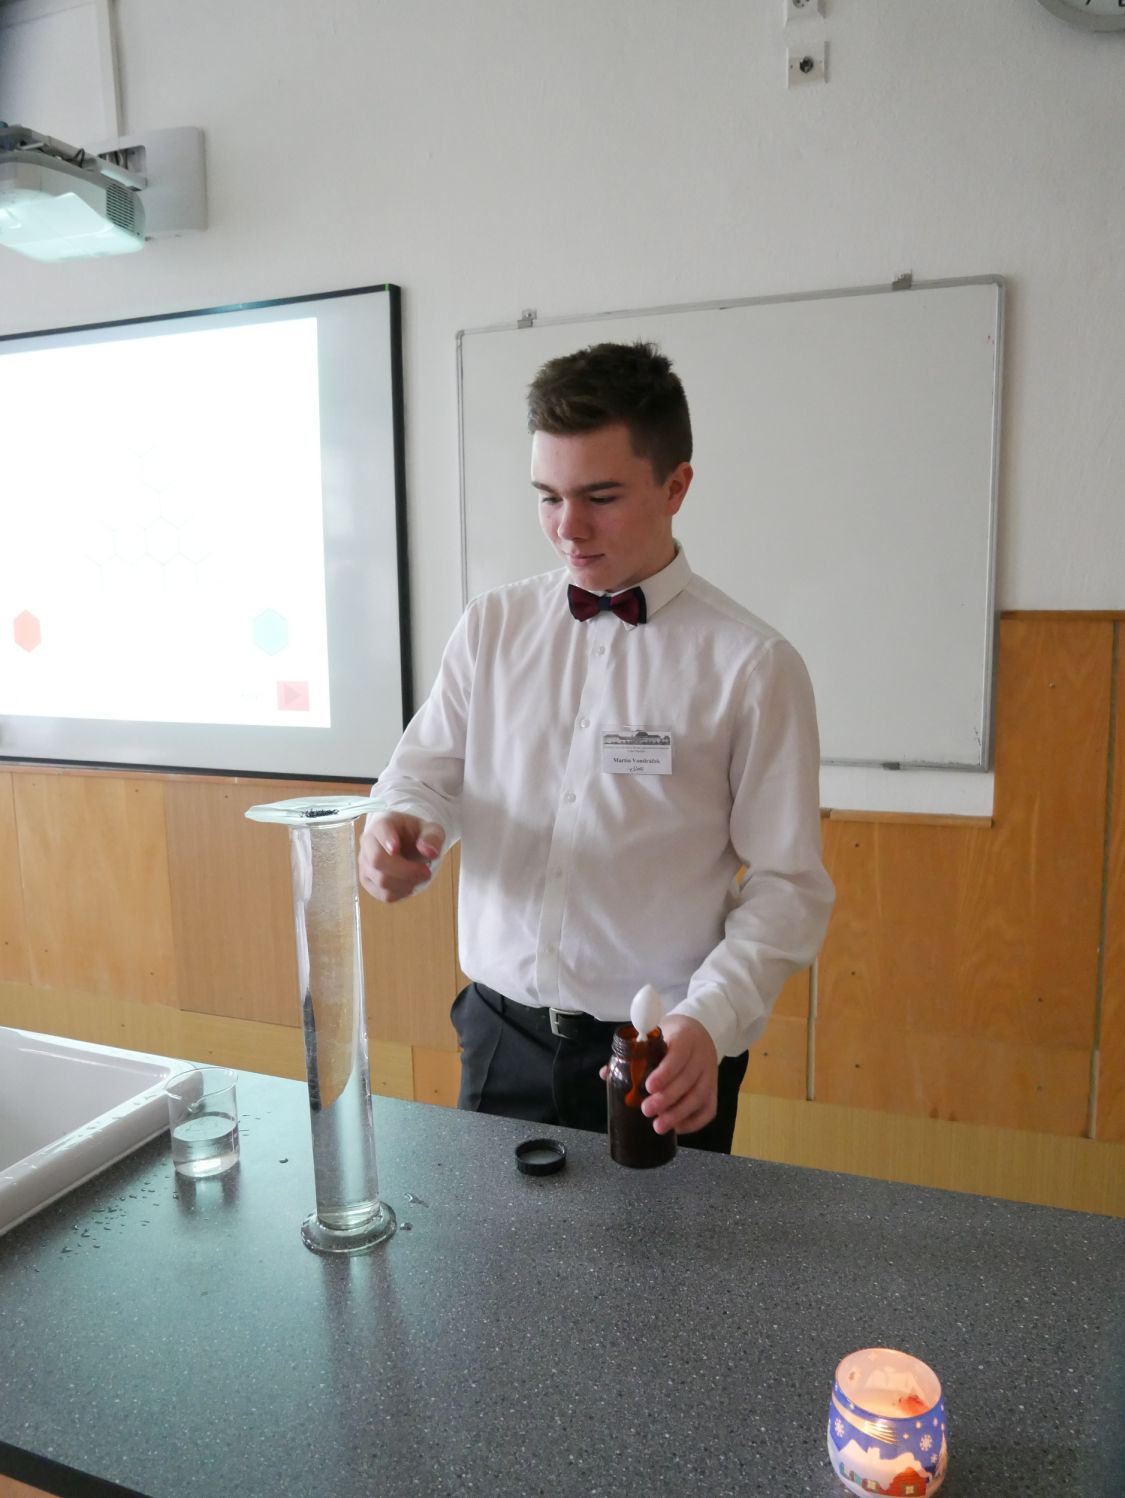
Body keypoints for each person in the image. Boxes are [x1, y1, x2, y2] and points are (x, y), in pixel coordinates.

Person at [359, 341, 834, 1153]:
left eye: (599, 497)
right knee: (485, 1242)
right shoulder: (491, 627)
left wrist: (711, 1020)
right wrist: (395, 824)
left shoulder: (752, 667)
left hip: (661, 1055)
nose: (567, 528)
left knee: (660, 1244)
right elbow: (423, 777)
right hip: (498, 1033)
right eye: (547, 497)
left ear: (675, 486)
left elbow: (788, 886)